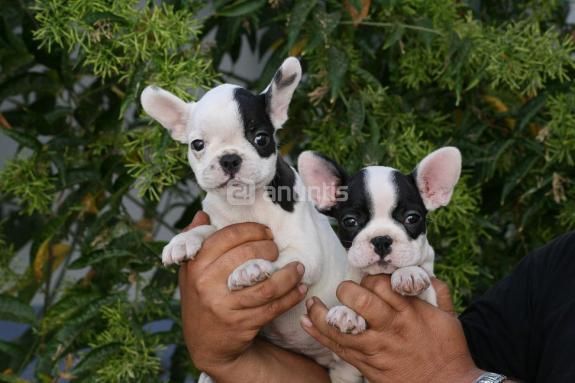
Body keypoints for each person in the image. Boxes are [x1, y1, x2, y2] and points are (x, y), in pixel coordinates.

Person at [179, 211, 575, 382]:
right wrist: (229, 360)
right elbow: (391, 372)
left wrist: (450, 378)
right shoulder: (559, 269)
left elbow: (435, 373)